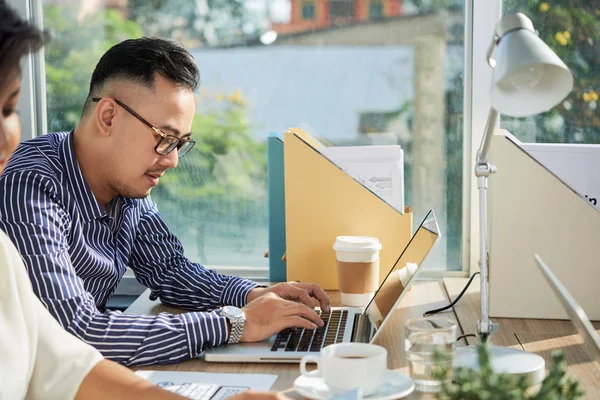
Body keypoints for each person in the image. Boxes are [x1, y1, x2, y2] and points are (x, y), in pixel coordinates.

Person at [0, 2, 290, 399]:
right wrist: (235, 323)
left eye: (179, 144)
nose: (171, 160)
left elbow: (170, 271)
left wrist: (255, 296)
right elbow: (77, 331)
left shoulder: (127, 185)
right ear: (107, 117)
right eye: (164, 138)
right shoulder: (29, 183)